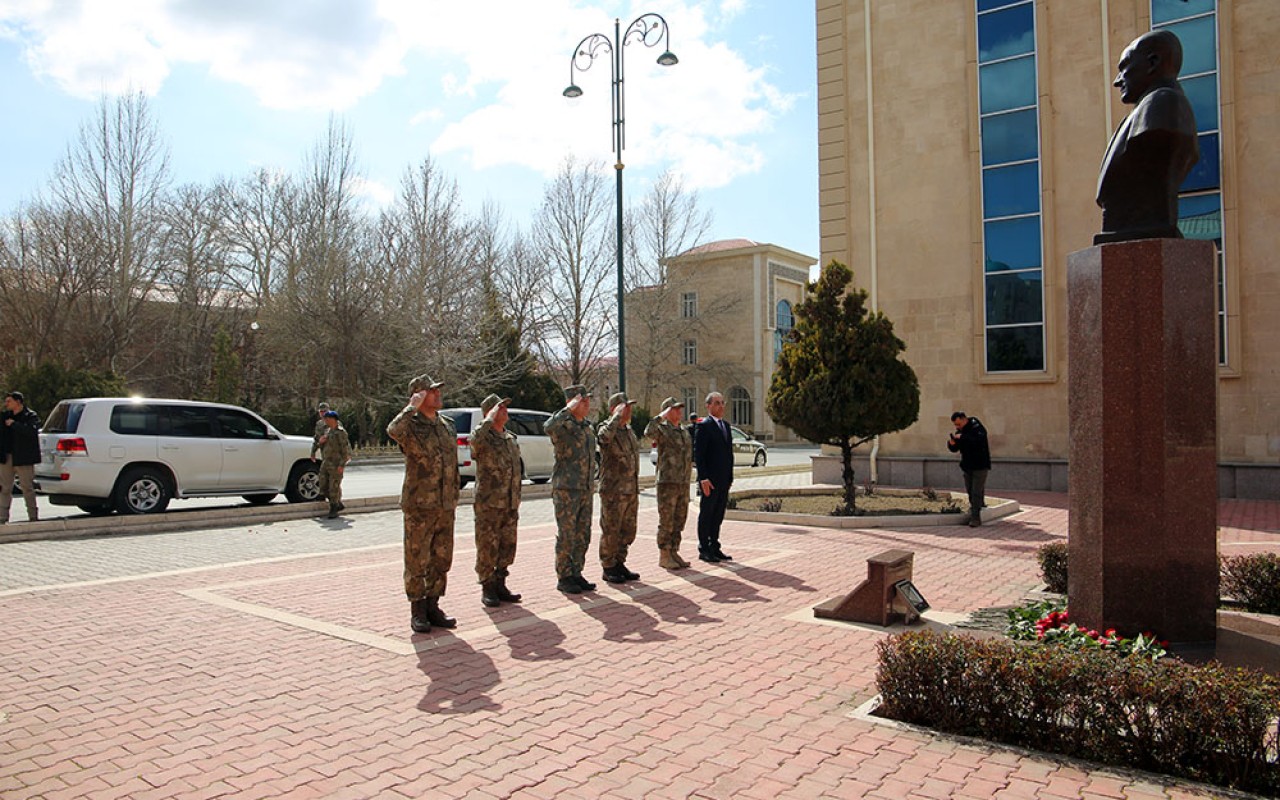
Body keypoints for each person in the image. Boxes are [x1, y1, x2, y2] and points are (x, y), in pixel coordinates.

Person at [1095, 29, 1199, 245]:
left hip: (1147, 227)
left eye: (1124, 67)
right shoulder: (1144, 110)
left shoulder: (1163, 105)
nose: (1117, 81)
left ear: (1153, 62)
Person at [387, 375, 459, 633]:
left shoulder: (447, 425)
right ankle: (417, 609)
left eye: (438, 390)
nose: (438, 394)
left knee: (441, 558)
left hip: (445, 504)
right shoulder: (410, 425)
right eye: (431, 391)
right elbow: (392, 431)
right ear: (418, 395)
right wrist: (411, 407)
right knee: (417, 559)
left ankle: (433, 605)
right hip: (420, 505)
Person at [470, 393, 523, 607]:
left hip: (509, 502)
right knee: (487, 546)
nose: (505, 411)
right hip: (489, 504)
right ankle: (487, 587)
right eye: (500, 408)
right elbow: (474, 441)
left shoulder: (510, 438)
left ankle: (501, 583)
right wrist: (488, 420)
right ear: (489, 412)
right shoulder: (483, 438)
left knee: (507, 546)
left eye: (504, 408)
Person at [545, 384, 598, 594]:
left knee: (583, 533)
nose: (587, 404)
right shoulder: (562, 426)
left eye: (587, 400)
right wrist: (568, 409)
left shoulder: (586, 426)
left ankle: (577, 572)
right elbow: (548, 427)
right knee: (567, 534)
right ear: (573, 402)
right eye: (582, 401)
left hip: (585, 487)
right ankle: (564, 576)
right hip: (566, 488)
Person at [644, 396, 693, 570]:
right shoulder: (662, 430)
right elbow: (648, 432)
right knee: (667, 520)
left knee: (680, 518)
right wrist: (660, 416)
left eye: (680, 408)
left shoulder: (683, 430)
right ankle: (664, 554)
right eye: (675, 409)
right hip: (667, 483)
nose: (679, 411)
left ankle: (674, 551)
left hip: (683, 482)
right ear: (667, 411)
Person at [597, 392, 641, 584]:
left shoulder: (628, 431)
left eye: (629, 406)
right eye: (625, 407)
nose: (629, 410)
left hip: (630, 489)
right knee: (611, 529)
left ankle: (619, 562)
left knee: (628, 530)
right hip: (613, 491)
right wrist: (616, 416)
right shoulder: (607, 428)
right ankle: (608, 566)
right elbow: (603, 438)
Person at [693, 392, 734, 562]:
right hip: (709, 480)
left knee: (718, 514)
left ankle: (714, 545)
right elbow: (699, 455)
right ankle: (704, 548)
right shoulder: (704, 425)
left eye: (722, 402)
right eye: (717, 403)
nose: (721, 406)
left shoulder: (726, 426)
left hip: (723, 479)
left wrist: (730, 477)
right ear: (708, 406)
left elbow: (728, 454)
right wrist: (703, 478)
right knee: (707, 513)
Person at [1, 391, 41, 524]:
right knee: (5, 488)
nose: (6, 404)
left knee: (27, 487)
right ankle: (3, 517)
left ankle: (33, 516)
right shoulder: (5, 416)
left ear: (18, 402)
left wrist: (14, 424)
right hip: (7, 457)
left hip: (23, 457)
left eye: (9, 401)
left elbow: (31, 431)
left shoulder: (30, 416)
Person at [947, 411, 991, 527]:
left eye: (959, 424)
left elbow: (978, 439)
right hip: (967, 465)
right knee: (971, 489)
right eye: (956, 425)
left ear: (964, 419)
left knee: (975, 491)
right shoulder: (961, 432)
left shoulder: (977, 427)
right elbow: (955, 448)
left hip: (980, 465)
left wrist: (963, 437)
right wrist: (952, 444)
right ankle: (979, 506)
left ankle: (975, 517)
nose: (957, 427)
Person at [316, 410, 350, 519]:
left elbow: (345, 450)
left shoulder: (341, 432)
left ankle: (334, 508)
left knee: (333, 487)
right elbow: (324, 447)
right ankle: (338, 504)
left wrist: (341, 465)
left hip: (336, 463)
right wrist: (320, 442)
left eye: (327, 418)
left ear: (332, 419)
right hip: (326, 462)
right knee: (322, 485)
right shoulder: (328, 431)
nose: (325, 420)